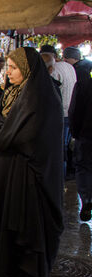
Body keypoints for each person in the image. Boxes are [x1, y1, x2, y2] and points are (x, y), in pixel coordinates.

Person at [0, 47, 64, 277]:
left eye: (14, 68)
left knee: (30, 236)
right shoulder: (18, 92)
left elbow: (26, 137)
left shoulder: (40, 97)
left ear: (28, 70)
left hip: (32, 181)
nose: (9, 72)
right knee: (11, 232)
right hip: (14, 176)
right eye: (9, 67)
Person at [41, 45, 77, 178]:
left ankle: (58, 176)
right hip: (70, 112)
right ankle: (64, 174)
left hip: (59, 114)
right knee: (65, 146)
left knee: (58, 148)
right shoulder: (70, 67)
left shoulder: (54, 70)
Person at [69, 68, 92, 221]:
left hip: (86, 135)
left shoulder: (83, 85)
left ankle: (87, 199)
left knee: (84, 168)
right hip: (85, 134)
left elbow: (74, 111)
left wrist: (75, 133)